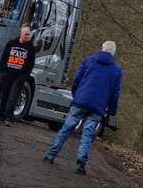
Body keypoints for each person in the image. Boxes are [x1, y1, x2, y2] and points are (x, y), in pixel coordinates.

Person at [43, 40, 122, 175]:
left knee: (66, 128)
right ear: (113, 53)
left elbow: (76, 80)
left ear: (102, 48)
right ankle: (81, 162)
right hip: (98, 107)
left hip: (80, 101)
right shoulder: (116, 70)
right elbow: (115, 93)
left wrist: (76, 95)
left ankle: (51, 155)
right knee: (87, 134)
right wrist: (112, 110)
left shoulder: (88, 61)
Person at [0, 25, 35, 125]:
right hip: (8, 74)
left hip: (19, 76)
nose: (28, 36)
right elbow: (3, 58)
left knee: (13, 96)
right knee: (4, 95)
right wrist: (3, 71)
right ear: (21, 34)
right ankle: (1, 116)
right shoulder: (11, 44)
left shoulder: (30, 48)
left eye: (29, 35)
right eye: (26, 34)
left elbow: (30, 64)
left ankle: (8, 118)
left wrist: (24, 76)